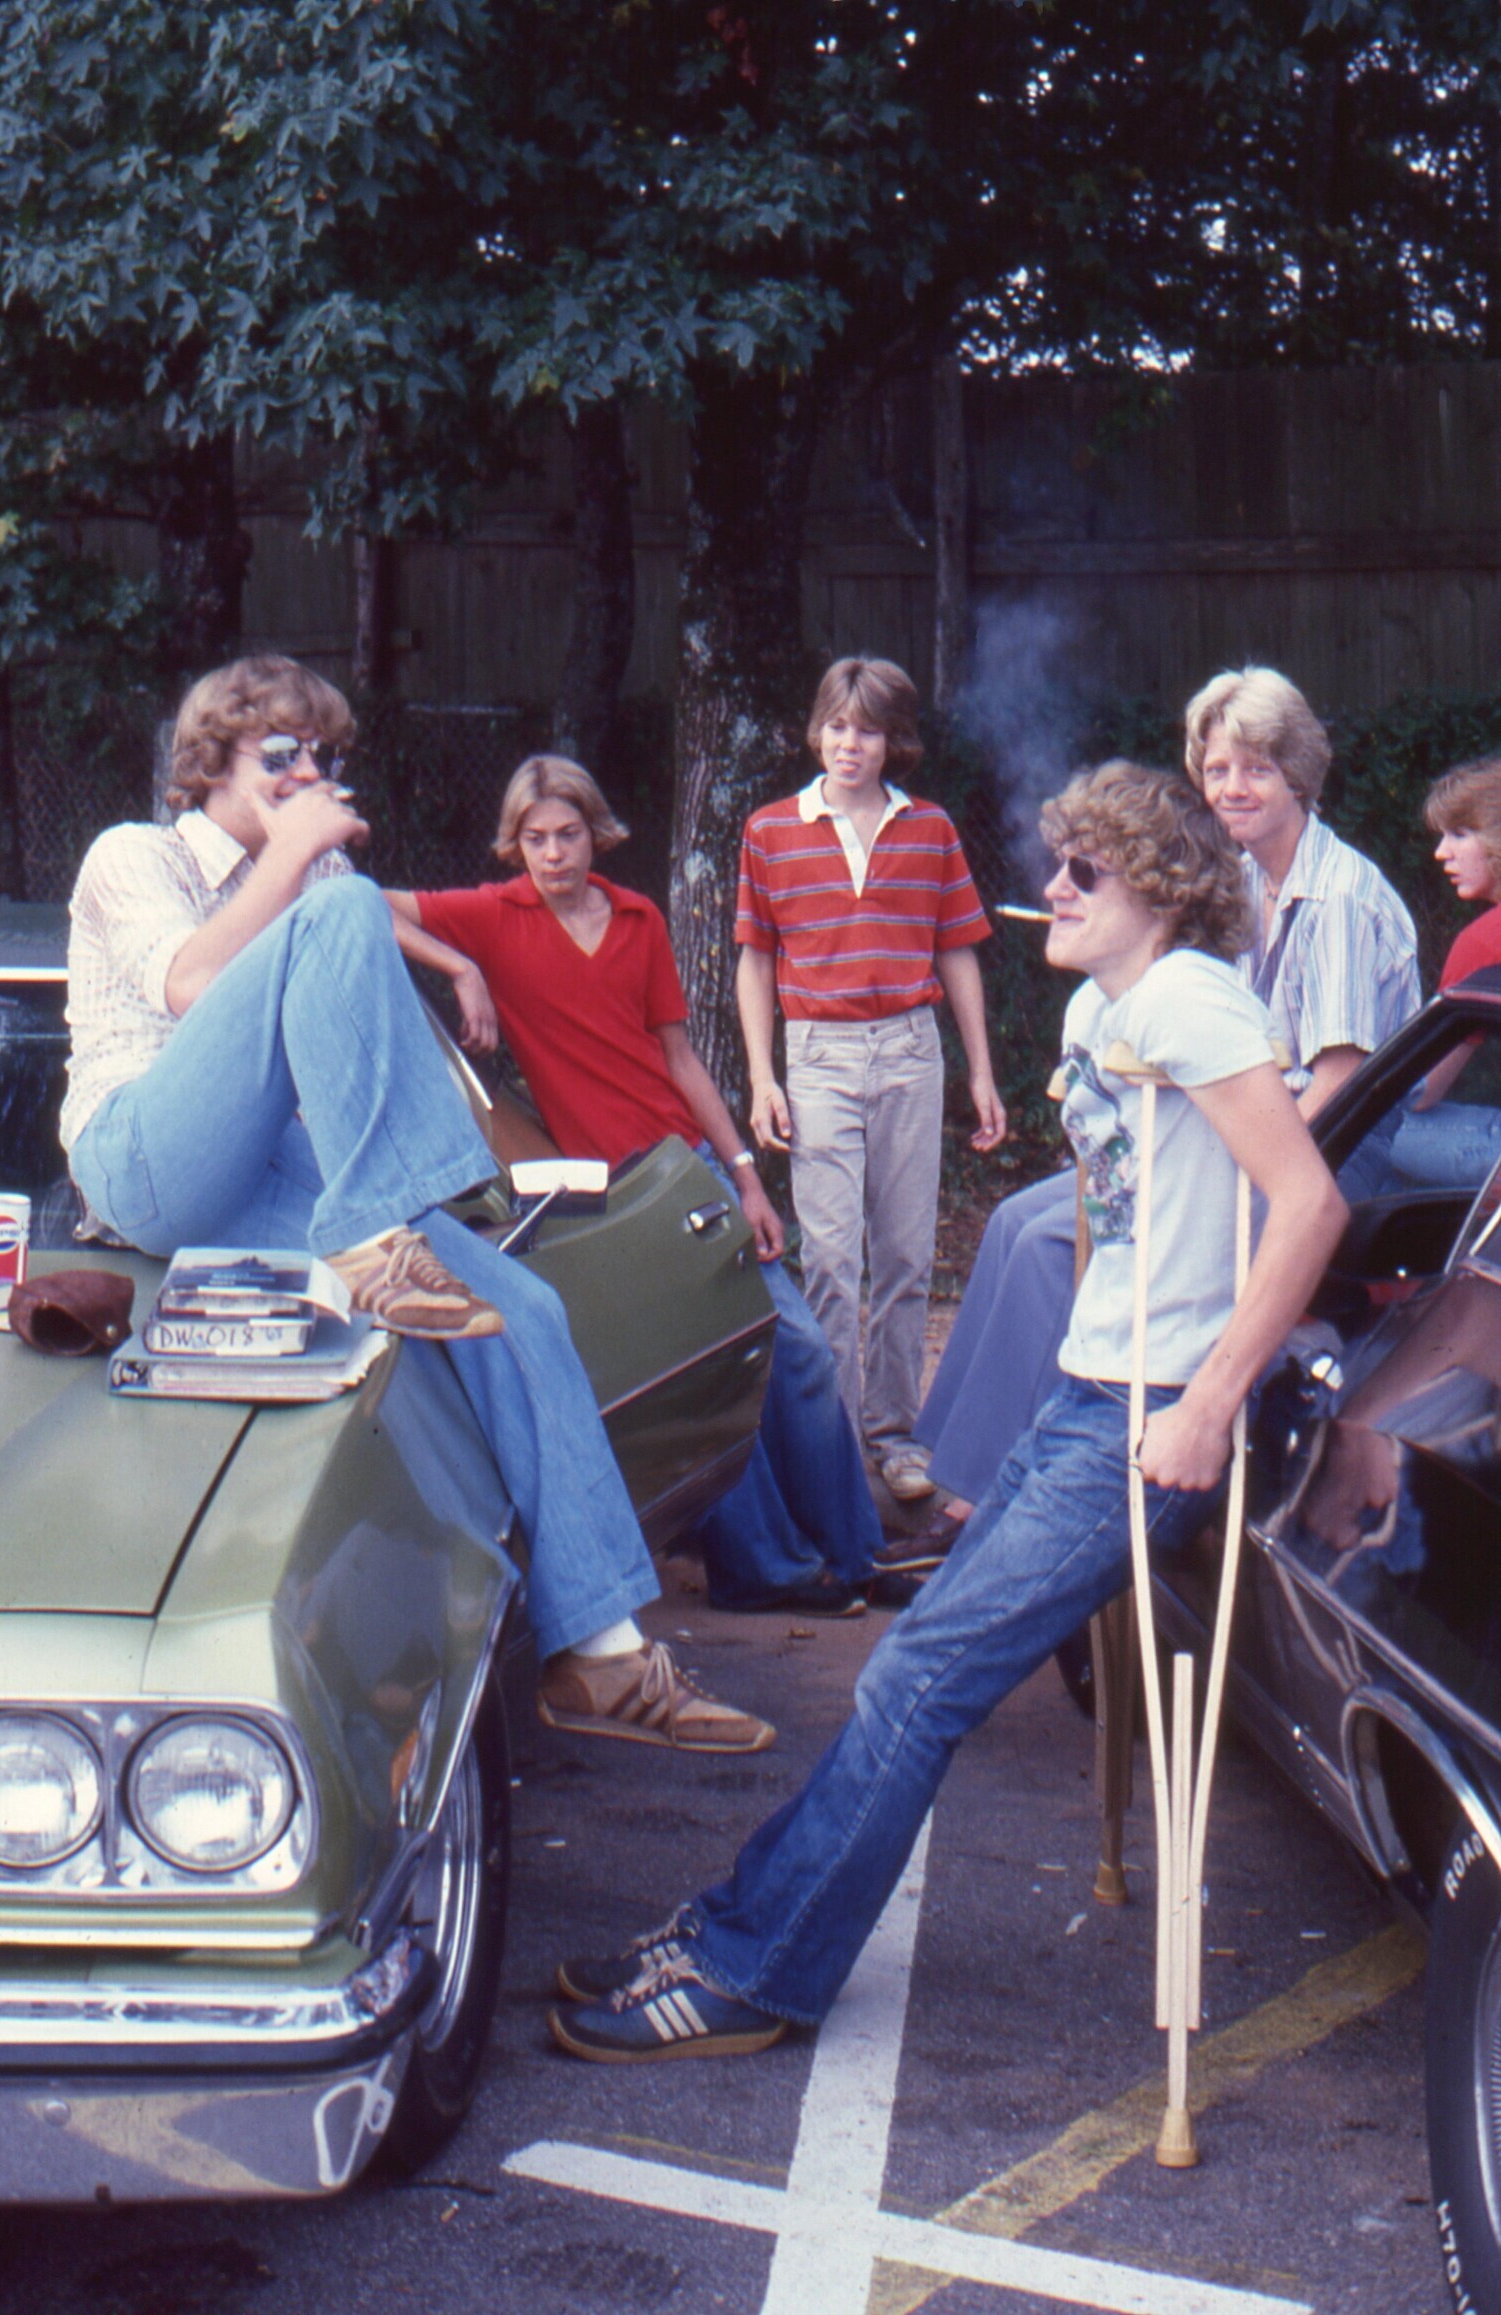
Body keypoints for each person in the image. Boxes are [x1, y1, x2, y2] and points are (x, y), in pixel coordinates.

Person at [545, 760, 1348, 2062]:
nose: (1052, 889)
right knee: (907, 1670)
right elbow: (1116, 1214)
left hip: (1153, 1414)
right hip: (1090, 1394)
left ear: (1155, 887)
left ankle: (755, 1970)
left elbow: (1308, 1202)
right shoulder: (1102, 1006)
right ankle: (737, 1922)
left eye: (1081, 870)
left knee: (918, 1680)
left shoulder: (1193, 998)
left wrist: (1208, 1401)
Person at [61, 654, 773, 1755]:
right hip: (144, 1158)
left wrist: (440, 953)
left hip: (267, 1174)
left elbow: (346, 997)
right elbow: (192, 987)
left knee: (521, 1309)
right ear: (208, 763)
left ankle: (604, 1655)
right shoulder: (133, 856)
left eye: (322, 756)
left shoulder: (313, 884)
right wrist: (303, 859)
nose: (308, 774)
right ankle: (376, 1226)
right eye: (280, 754)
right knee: (342, 904)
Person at [385, 756, 923, 1616]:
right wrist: (460, 967)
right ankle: (764, 1569)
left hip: (687, 1166)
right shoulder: (494, 914)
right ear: (514, 844)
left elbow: (679, 1057)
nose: (553, 854)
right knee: (704, 1367)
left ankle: (857, 1553)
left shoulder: (637, 919)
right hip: (614, 1197)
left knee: (801, 1349)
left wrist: (745, 1175)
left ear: (595, 834)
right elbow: (359, 903)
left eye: (568, 835)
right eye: (535, 839)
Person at [914, 666, 1419, 1542]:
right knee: (1013, 1220)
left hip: (1331, 1145)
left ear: (1299, 775)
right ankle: (968, 1470)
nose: (1233, 788)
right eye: (1217, 769)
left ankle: (995, 1506)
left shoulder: (1335, 896)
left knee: (1056, 1242)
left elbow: (1338, 1087)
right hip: (1241, 1119)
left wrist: (1215, 1168)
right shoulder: (1243, 879)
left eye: (1257, 769)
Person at [735, 657, 1006, 1507]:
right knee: (829, 1256)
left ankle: (894, 1435)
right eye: (837, 726)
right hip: (818, 1055)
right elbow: (756, 958)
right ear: (818, 731)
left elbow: (956, 950)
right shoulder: (771, 830)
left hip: (910, 1051)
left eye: (869, 730)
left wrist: (981, 1071)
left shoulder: (930, 830)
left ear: (896, 741)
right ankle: (836, 1444)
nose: (850, 744)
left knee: (903, 1253)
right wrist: (762, 1076)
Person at [1383, 757, 1501, 1190]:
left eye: (1460, 834)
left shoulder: (1484, 942)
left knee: (1373, 1135)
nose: (1441, 853)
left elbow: (1422, 1091)